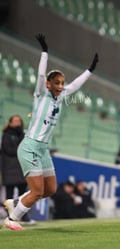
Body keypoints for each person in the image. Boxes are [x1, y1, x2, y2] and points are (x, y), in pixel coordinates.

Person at [2, 33, 99, 230]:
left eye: (62, 83)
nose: (61, 86)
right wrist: (44, 52)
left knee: (50, 189)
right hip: (29, 147)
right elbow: (40, 75)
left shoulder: (61, 97)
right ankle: (11, 219)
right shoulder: (41, 94)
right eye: (57, 83)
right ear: (48, 84)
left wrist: (90, 70)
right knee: (37, 192)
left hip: (43, 149)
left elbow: (75, 85)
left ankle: (15, 202)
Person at [1, 115, 35, 224]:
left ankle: (23, 216)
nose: (17, 123)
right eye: (15, 121)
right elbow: (8, 150)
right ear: (10, 123)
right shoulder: (6, 135)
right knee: (9, 195)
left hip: (21, 168)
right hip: (9, 169)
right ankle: (9, 216)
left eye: (19, 121)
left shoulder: (23, 135)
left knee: (23, 193)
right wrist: (20, 149)